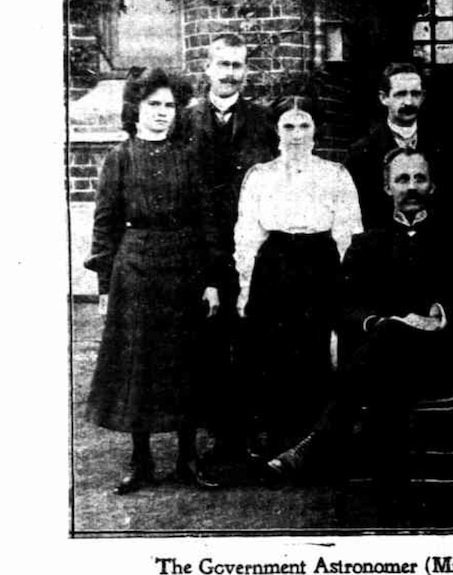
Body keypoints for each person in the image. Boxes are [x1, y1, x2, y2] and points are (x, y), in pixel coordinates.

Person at [264, 148, 453, 487]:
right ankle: (389, 485)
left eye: (419, 178)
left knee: (386, 349)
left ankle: (319, 443)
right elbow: (342, 305)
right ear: (387, 188)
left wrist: (439, 315)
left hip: (437, 362)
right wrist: (380, 323)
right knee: (389, 339)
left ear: (432, 186)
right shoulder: (366, 244)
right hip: (383, 363)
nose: (411, 186)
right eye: (402, 179)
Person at [84, 68, 222, 494]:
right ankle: (140, 460)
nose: (162, 113)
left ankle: (187, 459)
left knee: (185, 363)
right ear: (136, 109)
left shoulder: (189, 155)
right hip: (135, 269)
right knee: (137, 366)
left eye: (169, 105)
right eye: (153, 105)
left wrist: (212, 279)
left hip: (183, 268)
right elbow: (104, 225)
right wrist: (106, 286)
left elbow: (208, 223)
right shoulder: (119, 158)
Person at [233, 95, 363, 461]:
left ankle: (313, 446)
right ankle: (274, 442)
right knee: (272, 352)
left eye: (304, 125)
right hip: (274, 265)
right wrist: (245, 288)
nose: (296, 134)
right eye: (288, 126)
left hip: (319, 263)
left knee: (315, 348)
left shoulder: (334, 174)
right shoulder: (260, 176)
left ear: (316, 129)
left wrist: (345, 284)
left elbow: (348, 234)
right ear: (276, 130)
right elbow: (247, 236)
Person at [177, 33, 278, 464]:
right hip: (202, 245)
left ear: (246, 71)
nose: (230, 73)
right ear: (208, 68)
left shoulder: (262, 119)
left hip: (251, 239)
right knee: (209, 340)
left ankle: (253, 428)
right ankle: (219, 433)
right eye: (223, 64)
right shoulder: (186, 120)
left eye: (237, 65)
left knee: (254, 333)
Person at [345, 63, 449, 230]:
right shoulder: (362, 152)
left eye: (415, 94)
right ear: (384, 98)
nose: (408, 102)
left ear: (423, 97)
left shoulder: (444, 147)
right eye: (400, 94)